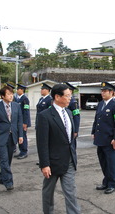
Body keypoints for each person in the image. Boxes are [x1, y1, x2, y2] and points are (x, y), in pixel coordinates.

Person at [36, 84, 80, 214]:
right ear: (57, 97)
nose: (70, 99)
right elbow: (42, 142)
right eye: (67, 96)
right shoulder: (45, 116)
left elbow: (70, 139)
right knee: (48, 193)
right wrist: (45, 164)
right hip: (53, 162)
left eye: (70, 96)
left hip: (69, 161)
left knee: (71, 192)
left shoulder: (69, 112)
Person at [0, 86, 24, 191]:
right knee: (4, 159)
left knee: (8, 160)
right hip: (1, 137)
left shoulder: (16, 106)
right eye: (8, 94)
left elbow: (19, 122)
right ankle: (8, 182)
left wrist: (21, 135)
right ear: (2, 96)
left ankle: (2, 177)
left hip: (12, 137)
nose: (11, 96)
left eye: (11, 94)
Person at [92, 82, 115, 194]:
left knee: (111, 163)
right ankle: (106, 181)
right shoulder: (100, 104)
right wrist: (93, 131)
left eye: (105, 91)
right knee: (103, 162)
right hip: (100, 138)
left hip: (110, 140)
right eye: (102, 91)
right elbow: (97, 119)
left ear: (111, 92)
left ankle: (112, 184)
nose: (103, 93)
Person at [14, 83, 31, 159]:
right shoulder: (17, 99)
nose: (17, 90)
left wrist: (25, 122)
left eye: (18, 89)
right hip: (17, 121)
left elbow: (26, 111)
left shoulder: (25, 99)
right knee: (19, 136)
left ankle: (24, 152)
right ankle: (21, 151)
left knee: (23, 136)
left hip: (23, 121)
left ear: (22, 90)